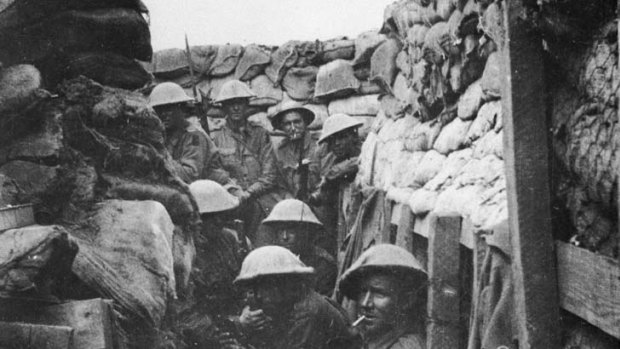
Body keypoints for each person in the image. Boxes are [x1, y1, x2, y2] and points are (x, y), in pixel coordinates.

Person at [174, 179, 248, 348]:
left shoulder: (228, 240)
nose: (219, 221)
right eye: (210, 217)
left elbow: (243, 284)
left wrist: (247, 312)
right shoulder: (183, 251)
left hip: (233, 320)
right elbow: (184, 312)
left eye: (222, 214)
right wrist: (234, 325)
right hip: (203, 332)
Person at [209, 80, 284, 241]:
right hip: (230, 203)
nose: (236, 108)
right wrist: (234, 190)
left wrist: (249, 193)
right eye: (231, 103)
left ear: (247, 105)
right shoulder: (215, 138)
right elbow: (214, 172)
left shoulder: (260, 134)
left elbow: (270, 174)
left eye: (240, 103)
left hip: (260, 200)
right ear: (224, 108)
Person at [233, 246, 349, 349]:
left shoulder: (307, 312)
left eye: (265, 287)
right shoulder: (293, 303)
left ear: (284, 283)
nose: (259, 295)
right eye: (255, 289)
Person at [338, 244, 428, 349]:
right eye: (363, 291)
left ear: (406, 300)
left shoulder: (404, 346)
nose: (365, 303)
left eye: (379, 293)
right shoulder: (377, 340)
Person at [148, 82, 230, 184]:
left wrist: (160, 160)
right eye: (159, 109)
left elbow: (190, 175)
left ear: (181, 108)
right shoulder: (163, 134)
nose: (164, 114)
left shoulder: (194, 137)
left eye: (169, 108)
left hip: (213, 189)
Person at [309, 113, 364, 256]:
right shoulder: (331, 160)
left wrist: (335, 173)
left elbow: (360, 162)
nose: (336, 144)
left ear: (353, 136)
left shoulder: (366, 151)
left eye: (341, 138)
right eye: (332, 141)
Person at [261, 199, 337, 296]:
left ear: (305, 232)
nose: (285, 237)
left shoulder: (322, 264)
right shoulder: (272, 261)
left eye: (291, 231)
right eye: (280, 231)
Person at [269, 101, 321, 200]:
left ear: (305, 122)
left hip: (318, 202)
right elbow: (280, 186)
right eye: (287, 124)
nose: (293, 128)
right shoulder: (280, 152)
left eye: (297, 122)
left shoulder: (318, 145)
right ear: (282, 127)